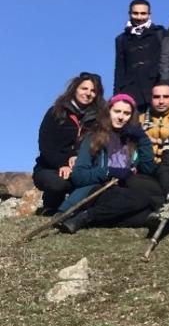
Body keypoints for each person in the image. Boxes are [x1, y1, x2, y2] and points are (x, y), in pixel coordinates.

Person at [57, 94, 159, 233]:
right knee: (140, 201)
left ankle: (88, 217)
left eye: (126, 113)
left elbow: (148, 170)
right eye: (117, 111)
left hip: (125, 191)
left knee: (145, 211)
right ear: (108, 112)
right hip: (98, 190)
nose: (121, 117)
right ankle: (89, 215)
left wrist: (143, 139)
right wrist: (107, 172)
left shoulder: (133, 140)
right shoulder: (93, 138)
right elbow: (78, 176)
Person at [34, 72, 104, 213]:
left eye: (93, 91)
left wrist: (78, 158)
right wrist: (62, 164)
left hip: (82, 168)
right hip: (50, 167)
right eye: (84, 88)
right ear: (75, 89)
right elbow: (45, 145)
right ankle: (51, 205)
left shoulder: (99, 119)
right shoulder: (56, 112)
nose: (88, 93)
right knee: (57, 184)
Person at [113, 0, 165, 113]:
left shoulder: (160, 34)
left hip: (155, 89)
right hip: (131, 90)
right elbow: (119, 69)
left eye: (143, 13)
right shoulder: (121, 39)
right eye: (135, 13)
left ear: (149, 14)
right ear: (129, 13)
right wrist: (116, 96)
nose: (139, 17)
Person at [141, 83, 169, 164]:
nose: (161, 101)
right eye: (156, 97)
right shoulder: (140, 119)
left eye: (166, 97)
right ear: (150, 98)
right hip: (145, 167)